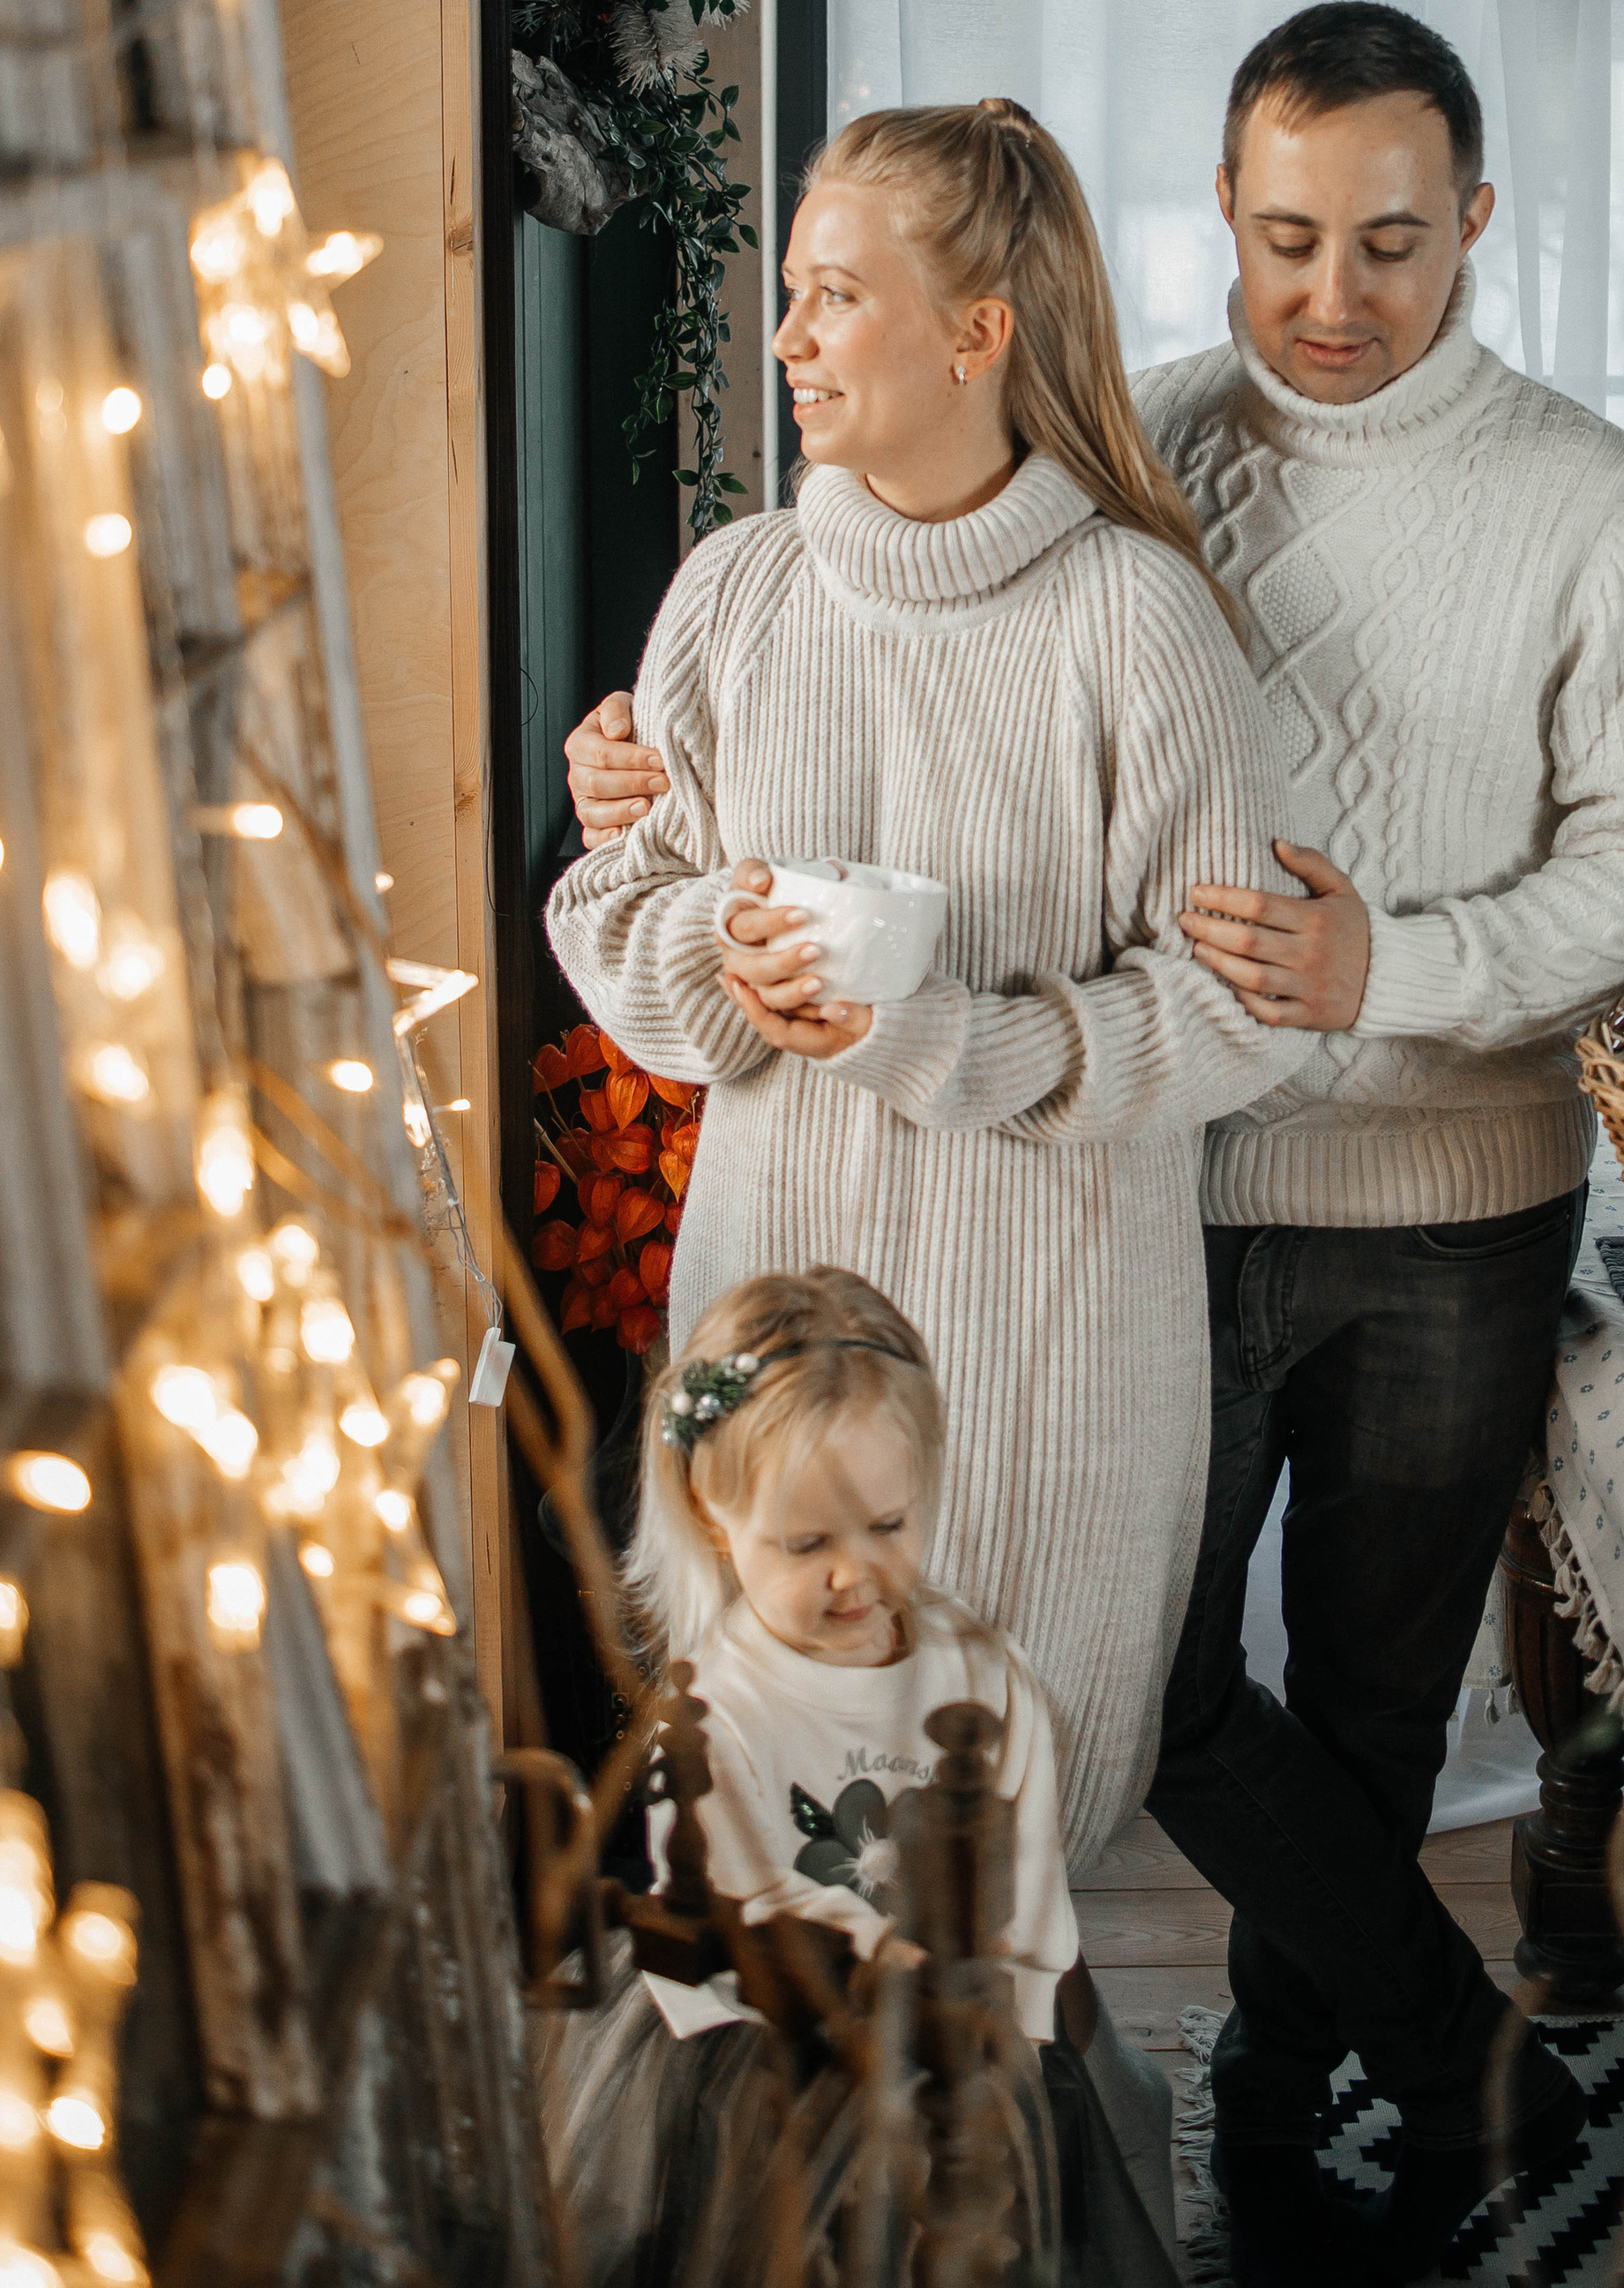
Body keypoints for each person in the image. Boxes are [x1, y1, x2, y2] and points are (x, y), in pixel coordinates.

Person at [567, 11, 1624, 2288]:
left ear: (1473, 227)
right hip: (1177, 1195)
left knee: (1361, 1700)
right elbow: (710, 824)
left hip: (1432, 1179)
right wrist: (654, 838)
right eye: (1288, 237)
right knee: (1144, 1693)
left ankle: (1291, 2120)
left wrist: (1370, 964)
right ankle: (1380, 2064)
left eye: (1390, 243)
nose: (1333, 290)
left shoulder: (1575, 501)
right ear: (1221, 223)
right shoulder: (1140, 462)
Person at [545, 96, 1294, 1891]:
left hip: (1046, 1348)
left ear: (978, 334)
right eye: (790, 297)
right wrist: (712, 960)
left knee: (988, 1868)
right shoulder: (734, 594)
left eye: (833, 299)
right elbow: (618, 913)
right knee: (764, 1861)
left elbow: (1226, 1017)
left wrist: (936, 1036)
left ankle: (996, 2175)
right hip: (766, 1316)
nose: (789, 340)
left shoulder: (1138, 623)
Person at [539, 1264, 1172, 2288]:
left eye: (889, 1526)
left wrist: (1026, 1990)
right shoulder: (718, 1711)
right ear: (715, 1521)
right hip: (776, 2057)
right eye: (807, 1543)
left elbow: (1024, 1855)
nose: (854, 1572)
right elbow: (729, 1918)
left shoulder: (976, 1671)